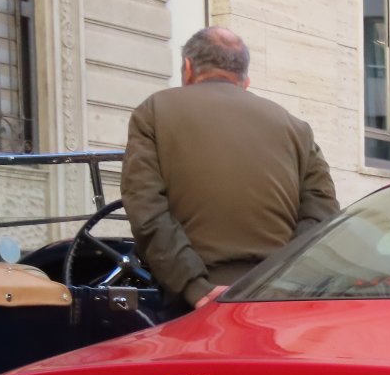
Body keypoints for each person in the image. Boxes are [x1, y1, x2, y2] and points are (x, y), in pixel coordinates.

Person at [121, 26, 339, 310]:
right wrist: (282, 284)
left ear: (188, 68)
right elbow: (322, 215)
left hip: (196, 300)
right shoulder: (296, 128)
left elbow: (146, 209)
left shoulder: (153, 111)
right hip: (275, 300)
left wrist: (194, 287)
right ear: (245, 79)